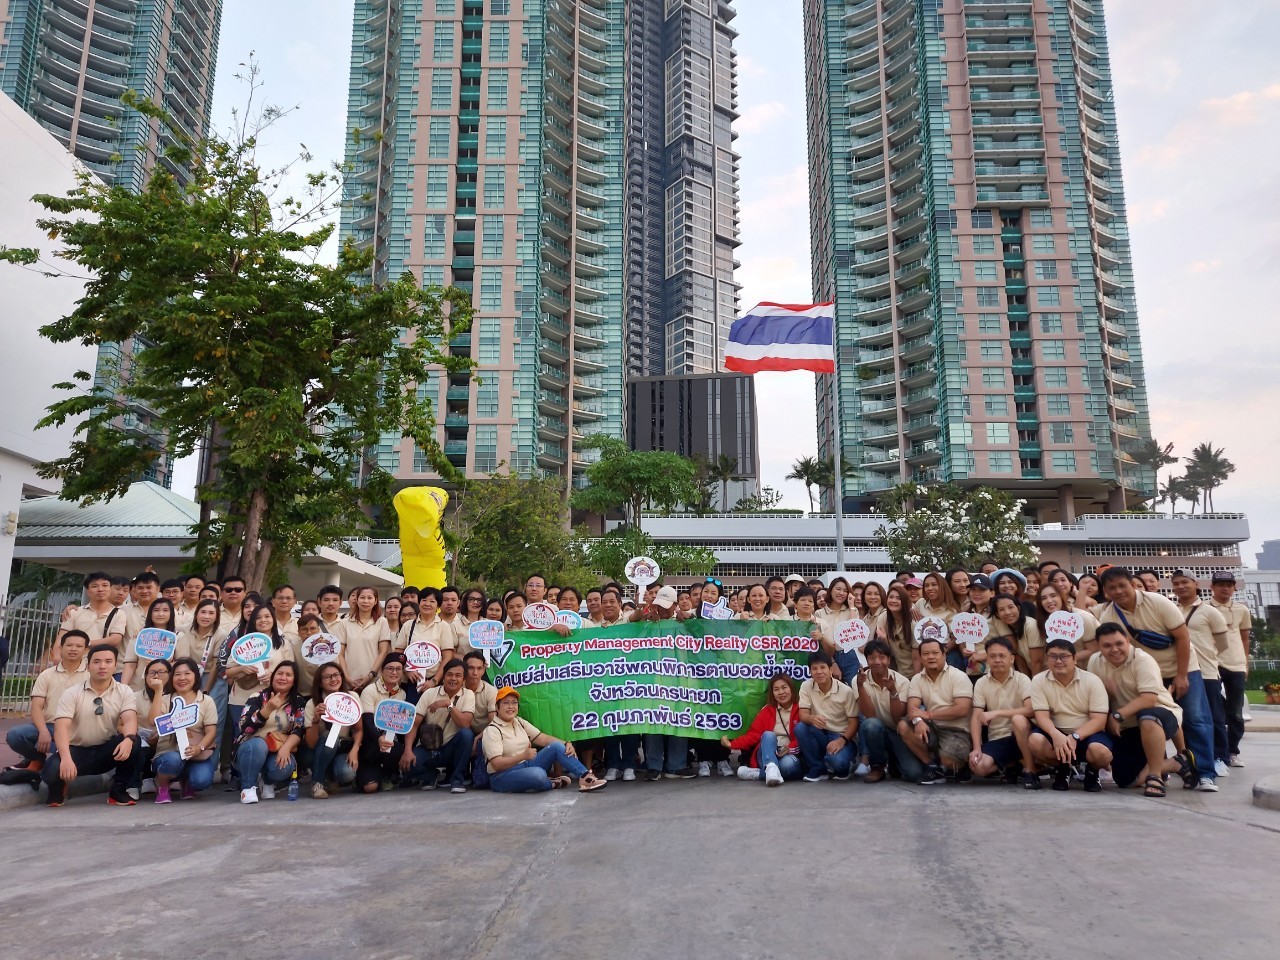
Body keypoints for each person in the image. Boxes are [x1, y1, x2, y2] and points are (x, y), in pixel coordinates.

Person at [1097, 566, 1217, 791]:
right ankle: (1169, 766)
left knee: (1196, 719)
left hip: (1182, 667)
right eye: (1112, 588)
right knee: (1153, 717)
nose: (1118, 591)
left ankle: (1205, 773)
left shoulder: (1158, 602)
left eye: (1122, 585)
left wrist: (1182, 675)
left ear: (1133, 584)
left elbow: (1182, 637)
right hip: (1146, 674)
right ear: (1105, 591)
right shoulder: (1108, 616)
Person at [1087, 624, 1195, 797]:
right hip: (1129, 724)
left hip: (1161, 714)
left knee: (1148, 717)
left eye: (1119, 643)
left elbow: (1149, 699)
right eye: (1107, 645)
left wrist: (1117, 715)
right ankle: (1176, 763)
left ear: (1127, 641)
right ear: (1099, 646)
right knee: (1126, 780)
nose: (1114, 650)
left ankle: (1155, 776)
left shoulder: (1143, 660)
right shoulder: (1095, 661)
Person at [43, 644, 141, 807]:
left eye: (108, 661)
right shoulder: (72, 693)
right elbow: (61, 727)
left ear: (115, 666)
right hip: (76, 751)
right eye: (97, 662)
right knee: (51, 771)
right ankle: (57, 789)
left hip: (107, 750)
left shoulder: (124, 691)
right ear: (88, 666)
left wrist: (129, 739)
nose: (102, 666)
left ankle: (118, 790)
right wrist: (66, 759)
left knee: (134, 741)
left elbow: (130, 719)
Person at [1028, 638, 1113, 792]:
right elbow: (1041, 716)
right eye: (1053, 656)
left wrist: (1075, 736)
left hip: (1087, 734)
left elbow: (1099, 721)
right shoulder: (1039, 680)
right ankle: (1063, 767)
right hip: (1057, 732)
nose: (1058, 661)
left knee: (1101, 753)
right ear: (1047, 659)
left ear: (1074, 659)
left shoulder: (1092, 681)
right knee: (1035, 741)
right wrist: (1055, 734)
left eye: (1064, 656)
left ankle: (1092, 771)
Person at [1170, 570, 1232, 779]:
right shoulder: (1172, 610)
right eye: (1176, 583)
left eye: (1184, 582)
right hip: (1183, 671)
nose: (1180, 587)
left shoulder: (1210, 612)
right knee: (1188, 719)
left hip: (1206, 672)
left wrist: (1207, 657)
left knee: (1214, 718)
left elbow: (1222, 644)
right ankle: (1193, 760)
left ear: (1195, 584)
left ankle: (1220, 758)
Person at [483, 686, 606, 793]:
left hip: (526, 765)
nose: (511, 707)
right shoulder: (492, 730)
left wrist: (566, 743)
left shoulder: (519, 722)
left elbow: (542, 738)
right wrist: (522, 756)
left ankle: (585, 777)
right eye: (506, 703)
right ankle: (551, 783)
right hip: (502, 776)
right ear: (497, 707)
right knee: (538, 774)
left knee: (556, 746)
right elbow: (497, 764)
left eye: (514, 703)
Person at [4, 629, 88, 778]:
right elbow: (36, 707)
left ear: (86, 650)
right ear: (61, 648)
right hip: (50, 726)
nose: (73, 649)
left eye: (79, 646)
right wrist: (43, 731)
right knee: (15, 735)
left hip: (77, 730)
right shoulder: (47, 675)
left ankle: (61, 759)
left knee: (59, 764)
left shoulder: (91, 675)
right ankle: (37, 759)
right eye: (69, 645)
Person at [899, 637, 974, 784]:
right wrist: (918, 720)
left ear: (944, 654)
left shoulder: (958, 676)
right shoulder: (917, 679)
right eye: (926, 654)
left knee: (949, 761)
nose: (931, 657)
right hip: (933, 727)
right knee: (904, 725)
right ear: (920, 658)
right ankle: (933, 767)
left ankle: (960, 766)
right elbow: (912, 708)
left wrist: (928, 714)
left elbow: (962, 709)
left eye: (935, 653)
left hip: (957, 730)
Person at [233, 661, 307, 804]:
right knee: (258, 745)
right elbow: (245, 727)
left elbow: (298, 730)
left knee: (286, 766)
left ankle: (267, 781)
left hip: (276, 747)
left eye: (288, 675)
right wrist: (267, 710)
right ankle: (248, 787)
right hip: (251, 748)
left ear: (294, 681)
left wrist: (286, 748)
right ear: (273, 677)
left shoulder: (298, 702)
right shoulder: (257, 697)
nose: (283, 678)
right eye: (280, 673)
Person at [967, 636, 1036, 786]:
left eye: (1002, 656)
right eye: (992, 656)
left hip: (1022, 734)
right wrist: (977, 747)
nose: (997, 660)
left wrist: (997, 713)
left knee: (1018, 720)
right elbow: (976, 717)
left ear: (1012, 659)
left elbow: (1031, 710)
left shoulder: (1022, 679)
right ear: (987, 659)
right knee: (978, 767)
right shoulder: (981, 683)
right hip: (998, 736)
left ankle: (1031, 771)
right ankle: (1012, 765)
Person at [149, 657, 219, 803]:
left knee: (202, 780)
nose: (182, 678)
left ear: (196, 676)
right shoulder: (165, 699)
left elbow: (211, 732)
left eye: (187, 673)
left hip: (195, 752)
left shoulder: (206, 700)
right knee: (173, 759)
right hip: (168, 752)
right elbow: (153, 721)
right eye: (177, 674)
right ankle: (163, 786)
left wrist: (199, 748)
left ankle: (186, 782)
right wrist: (158, 691)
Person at [404, 657, 475, 793]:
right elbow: (414, 724)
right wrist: (407, 750)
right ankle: (431, 776)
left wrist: (448, 704)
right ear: (443, 677)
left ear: (464, 680)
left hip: (452, 749)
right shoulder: (429, 693)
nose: (453, 678)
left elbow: (465, 723)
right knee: (408, 764)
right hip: (430, 749)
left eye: (458, 675)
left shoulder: (468, 695)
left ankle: (457, 780)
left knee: (466, 735)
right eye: (449, 674)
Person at [722, 671, 801, 786]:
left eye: (784, 687)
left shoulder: (801, 709)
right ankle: (771, 768)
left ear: (791, 689)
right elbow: (753, 735)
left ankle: (758, 774)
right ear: (772, 693)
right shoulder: (767, 710)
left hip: (789, 753)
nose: (781, 692)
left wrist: (790, 747)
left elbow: (805, 735)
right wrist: (732, 744)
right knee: (768, 735)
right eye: (776, 689)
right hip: (767, 752)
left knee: (788, 765)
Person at [1207, 570, 1251, 768]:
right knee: (1213, 711)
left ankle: (1232, 751)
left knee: (1235, 713)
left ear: (1234, 588)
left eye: (1228, 585)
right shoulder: (1204, 608)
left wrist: (1245, 663)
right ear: (1212, 587)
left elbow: (1244, 639)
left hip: (1236, 664)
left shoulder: (1242, 610)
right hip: (1212, 663)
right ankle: (1217, 752)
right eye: (1220, 585)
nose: (1225, 588)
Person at [854, 639, 914, 783]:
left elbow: (897, 718)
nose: (877, 662)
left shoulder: (902, 681)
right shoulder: (859, 680)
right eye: (872, 658)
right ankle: (877, 766)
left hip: (897, 731)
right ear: (867, 660)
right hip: (876, 730)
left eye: (882, 657)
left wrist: (893, 692)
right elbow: (869, 715)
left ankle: (893, 760)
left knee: (913, 773)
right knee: (871, 725)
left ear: (889, 660)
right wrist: (861, 687)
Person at [795, 651, 859, 782]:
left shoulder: (845, 691)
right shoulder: (806, 686)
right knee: (801, 727)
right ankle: (818, 769)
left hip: (842, 735)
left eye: (822, 667)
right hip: (820, 732)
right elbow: (803, 715)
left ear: (831, 670)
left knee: (837, 762)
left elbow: (854, 722)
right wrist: (811, 718)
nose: (819, 672)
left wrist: (841, 740)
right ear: (810, 671)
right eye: (814, 668)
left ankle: (847, 763)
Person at [357, 653, 411, 793]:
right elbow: (367, 720)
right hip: (370, 743)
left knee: (396, 748)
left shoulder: (402, 694)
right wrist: (379, 738)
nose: (394, 672)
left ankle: (387, 775)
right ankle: (363, 776)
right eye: (390, 668)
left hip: (389, 741)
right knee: (370, 787)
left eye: (398, 669)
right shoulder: (370, 690)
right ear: (382, 670)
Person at [305, 662, 360, 798]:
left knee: (346, 773)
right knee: (330, 737)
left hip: (342, 747)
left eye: (336, 675)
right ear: (320, 683)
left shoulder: (352, 697)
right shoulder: (312, 703)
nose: (333, 679)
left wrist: (355, 750)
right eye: (327, 677)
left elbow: (359, 729)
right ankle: (317, 783)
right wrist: (316, 721)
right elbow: (311, 743)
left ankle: (330, 777)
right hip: (319, 749)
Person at [337, 586, 392, 692]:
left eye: (369, 598)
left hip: (374, 680)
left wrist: (370, 675)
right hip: (349, 680)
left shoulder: (382, 622)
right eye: (362, 597)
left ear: (375, 601)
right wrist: (347, 677)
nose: (365, 601)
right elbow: (340, 654)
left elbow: (383, 651)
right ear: (357, 600)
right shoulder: (344, 623)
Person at [56, 572, 126, 652]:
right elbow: (60, 640)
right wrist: (57, 656)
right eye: (95, 586)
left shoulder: (119, 614)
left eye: (105, 585)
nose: (100, 589)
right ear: (88, 591)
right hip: (73, 658)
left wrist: (84, 643)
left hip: (100, 658)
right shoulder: (74, 612)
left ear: (110, 589)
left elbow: (115, 640)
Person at [991, 594, 1043, 677]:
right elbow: (1021, 663)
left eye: (1011, 607)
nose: (1007, 612)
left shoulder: (1030, 626)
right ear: (997, 614)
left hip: (1044, 674)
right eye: (1001, 609)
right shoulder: (1010, 629)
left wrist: (1034, 683)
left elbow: (1037, 662)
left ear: (1018, 608)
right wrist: (1025, 681)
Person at [877, 583, 918, 677]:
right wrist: (884, 639)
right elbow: (885, 652)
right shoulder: (883, 618)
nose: (893, 601)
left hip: (914, 673)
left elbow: (916, 658)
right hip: (896, 673)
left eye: (898, 598)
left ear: (904, 601)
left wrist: (917, 680)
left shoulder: (913, 623)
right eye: (891, 597)